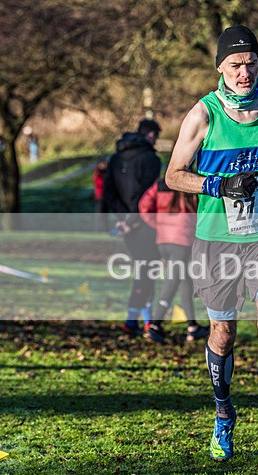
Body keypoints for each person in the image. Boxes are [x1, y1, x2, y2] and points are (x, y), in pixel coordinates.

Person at [165, 25, 258, 462]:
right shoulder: (203, 115)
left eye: (251, 63)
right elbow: (173, 175)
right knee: (223, 333)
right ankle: (224, 416)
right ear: (220, 68)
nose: (244, 72)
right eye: (235, 65)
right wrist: (220, 185)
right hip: (216, 241)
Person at [103, 118, 163, 336]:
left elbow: (109, 192)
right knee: (147, 270)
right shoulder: (151, 159)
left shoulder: (115, 158)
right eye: (155, 135)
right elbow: (147, 193)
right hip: (144, 223)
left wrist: (122, 218)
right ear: (150, 134)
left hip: (125, 223)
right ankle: (138, 322)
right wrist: (134, 218)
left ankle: (138, 321)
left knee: (143, 269)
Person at [139, 178, 210, 344]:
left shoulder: (160, 184)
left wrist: (158, 224)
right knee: (173, 281)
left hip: (164, 240)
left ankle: (193, 327)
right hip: (183, 240)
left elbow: (144, 207)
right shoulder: (192, 181)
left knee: (185, 281)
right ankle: (155, 325)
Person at [92, 158, 109, 232]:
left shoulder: (106, 172)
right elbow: (99, 183)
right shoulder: (98, 173)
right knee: (99, 213)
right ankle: (98, 229)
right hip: (100, 196)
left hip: (106, 196)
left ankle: (105, 228)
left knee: (105, 214)